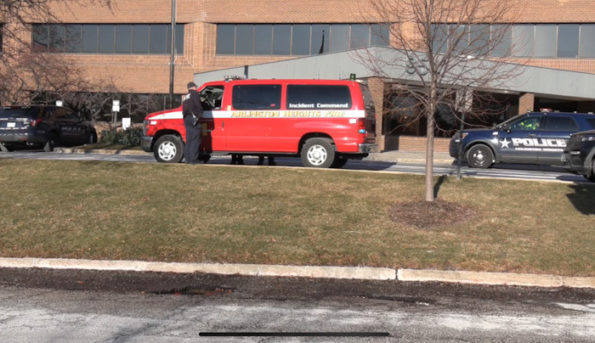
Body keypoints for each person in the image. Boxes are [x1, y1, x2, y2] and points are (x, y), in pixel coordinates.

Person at [182, 81, 203, 164]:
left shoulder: (186, 96)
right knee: (195, 139)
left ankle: (187, 158)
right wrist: (199, 115)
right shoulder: (195, 94)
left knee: (189, 139)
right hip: (194, 118)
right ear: (194, 87)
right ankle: (194, 159)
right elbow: (198, 105)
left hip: (186, 118)